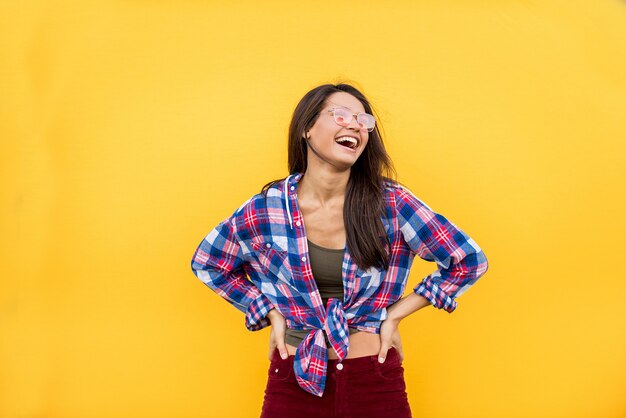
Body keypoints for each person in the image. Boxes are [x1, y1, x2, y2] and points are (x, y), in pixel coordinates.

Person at [190, 82, 489, 418]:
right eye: (342, 115)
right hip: (293, 380)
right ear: (307, 128)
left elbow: (467, 259)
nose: (355, 126)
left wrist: (395, 314)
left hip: (373, 378)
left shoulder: (390, 203)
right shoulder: (266, 209)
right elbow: (209, 262)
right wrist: (268, 311)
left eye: (364, 121)